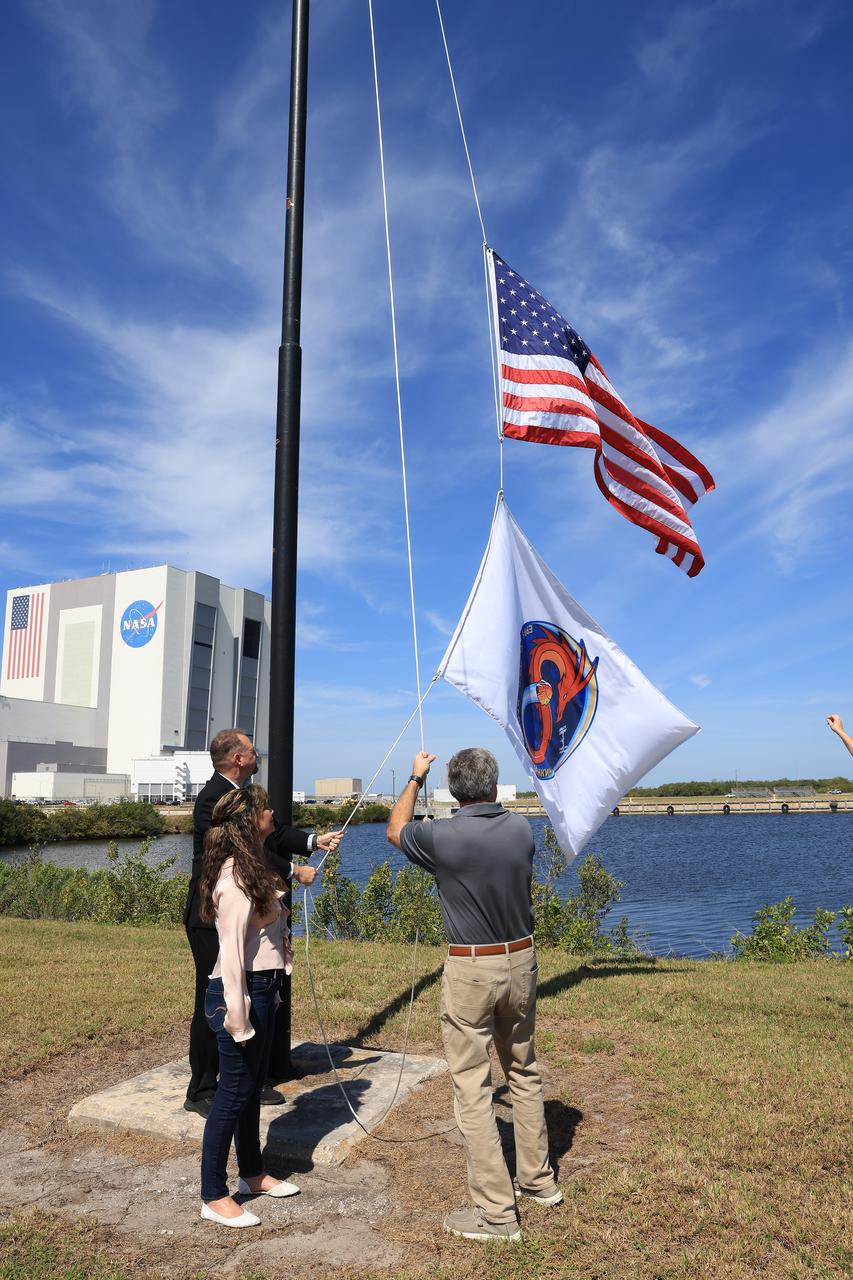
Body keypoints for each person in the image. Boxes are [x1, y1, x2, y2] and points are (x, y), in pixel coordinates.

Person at [387, 747, 560, 1244]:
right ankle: (538, 1181)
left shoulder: (444, 836)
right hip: (521, 960)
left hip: (472, 965)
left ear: (453, 787)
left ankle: (496, 1213)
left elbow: (395, 830)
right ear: (494, 784)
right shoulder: (522, 829)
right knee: (523, 1070)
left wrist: (415, 780)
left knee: (472, 1085)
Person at [183, 728, 341, 1117]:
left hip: (248, 914)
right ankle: (202, 1088)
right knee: (215, 995)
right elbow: (241, 849)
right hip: (213, 918)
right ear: (237, 758)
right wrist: (292, 871)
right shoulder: (211, 800)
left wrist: (313, 841)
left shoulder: (243, 796)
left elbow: (272, 834)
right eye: (253, 752)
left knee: (256, 992)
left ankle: (250, 1077)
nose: (259, 756)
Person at [198, 785, 299, 1227]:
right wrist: (239, 1018)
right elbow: (233, 955)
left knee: (251, 1085)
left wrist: (273, 990)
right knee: (233, 1092)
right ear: (248, 821)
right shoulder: (234, 877)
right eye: (265, 808)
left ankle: (252, 1173)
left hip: (261, 988)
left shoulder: (254, 866)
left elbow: (265, 943)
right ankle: (212, 1193)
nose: (272, 812)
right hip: (236, 993)